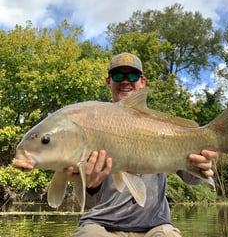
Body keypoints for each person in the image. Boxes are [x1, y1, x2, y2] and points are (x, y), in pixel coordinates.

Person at [67, 52, 218, 237]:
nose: (125, 81)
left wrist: (203, 166)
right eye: (117, 76)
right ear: (108, 81)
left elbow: (192, 179)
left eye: (132, 76)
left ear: (143, 81)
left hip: (155, 227)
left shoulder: (162, 127)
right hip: (101, 225)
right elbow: (87, 203)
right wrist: (91, 187)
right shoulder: (90, 122)